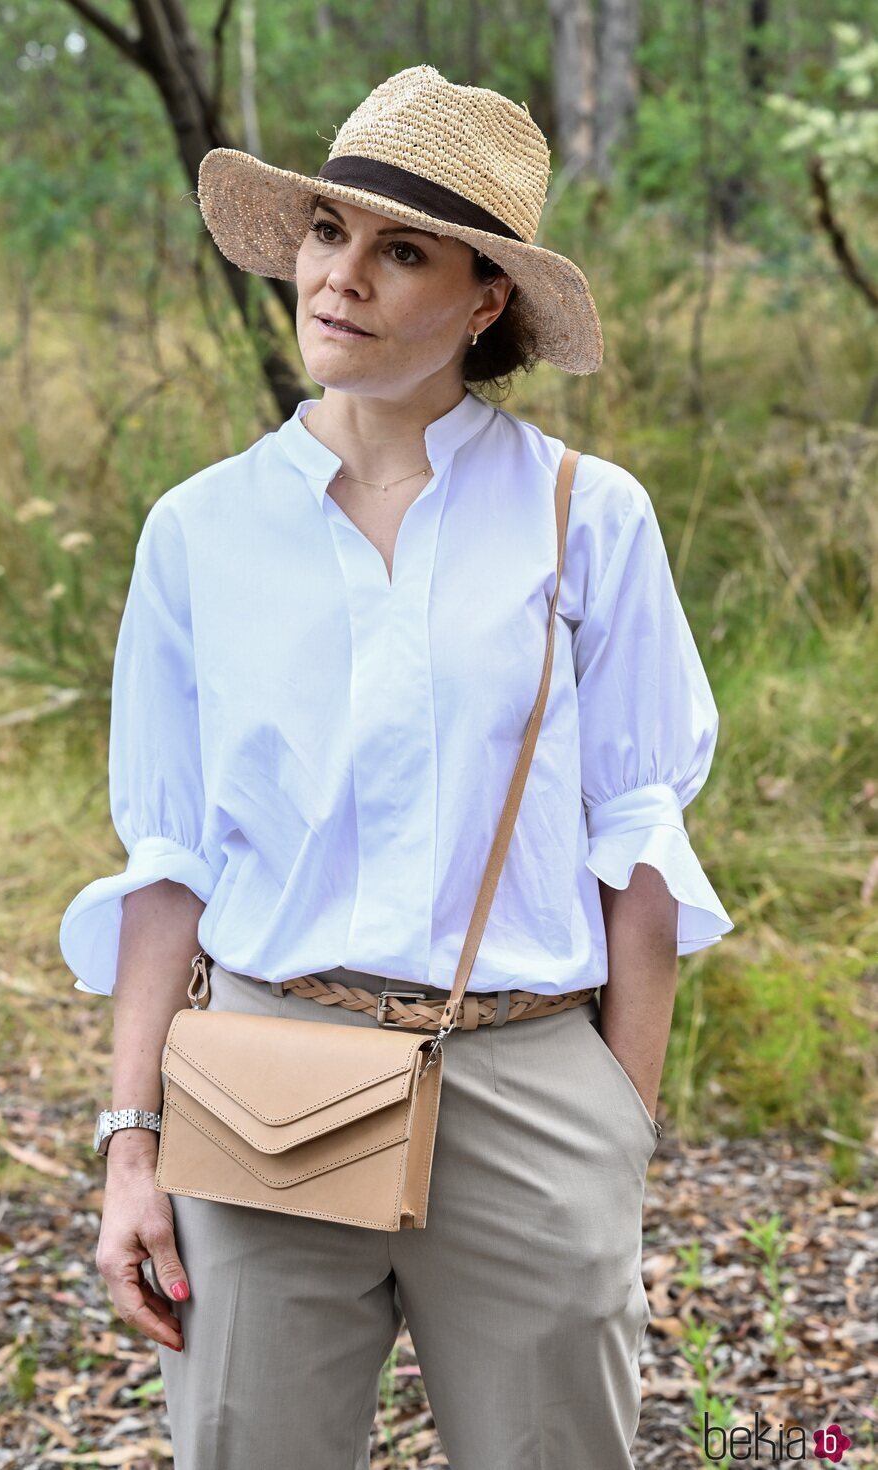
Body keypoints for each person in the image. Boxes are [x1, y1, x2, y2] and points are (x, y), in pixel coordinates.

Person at [59, 63, 733, 1470]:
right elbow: (168, 860)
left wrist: (616, 1119)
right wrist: (132, 1141)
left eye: (401, 250)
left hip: (527, 1078)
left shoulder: (585, 517)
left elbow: (642, 837)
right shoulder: (202, 532)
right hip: (260, 1073)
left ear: (486, 299)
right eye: (326, 234)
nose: (342, 278)